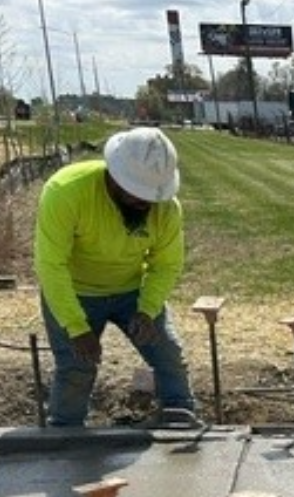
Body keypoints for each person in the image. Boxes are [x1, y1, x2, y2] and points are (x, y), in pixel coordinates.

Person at [34, 126, 197, 427]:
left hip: (131, 290)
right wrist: (76, 326)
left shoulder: (166, 209)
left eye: (151, 197)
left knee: (168, 354)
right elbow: (51, 265)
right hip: (75, 290)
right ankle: (64, 436)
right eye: (138, 196)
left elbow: (166, 265)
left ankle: (180, 416)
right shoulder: (66, 192)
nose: (146, 205)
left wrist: (147, 310)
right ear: (115, 177)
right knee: (76, 367)